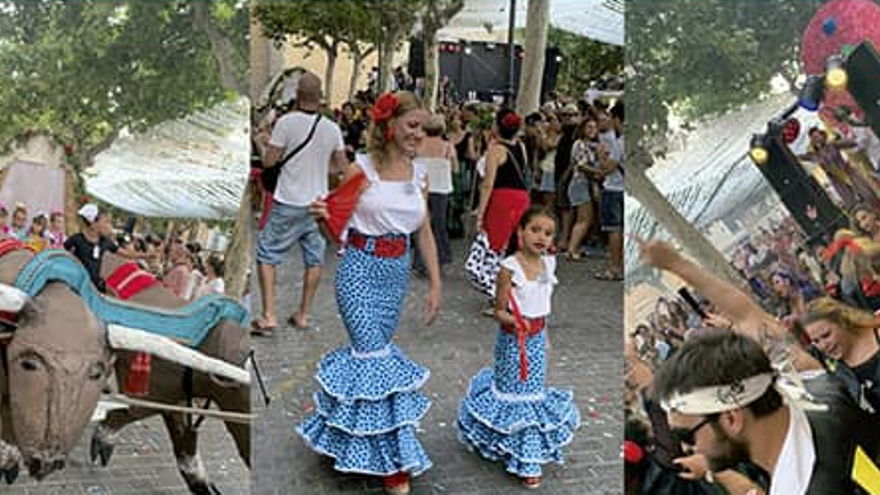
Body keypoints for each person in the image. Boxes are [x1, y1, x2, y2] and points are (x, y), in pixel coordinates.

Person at [297, 91, 441, 495]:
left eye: (422, 127)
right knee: (376, 359)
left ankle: (338, 433)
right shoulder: (361, 170)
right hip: (359, 271)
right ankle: (392, 463)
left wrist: (435, 283)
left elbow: (424, 231)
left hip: (396, 275)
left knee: (368, 362)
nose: (418, 134)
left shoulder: (419, 175)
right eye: (412, 125)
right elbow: (335, 231)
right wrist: (323, 218)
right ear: (389, 125)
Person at [654, 329, 879, 495]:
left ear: (731, 418)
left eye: (686, 436)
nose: (687, 448)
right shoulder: (822, 393)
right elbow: (752, 317)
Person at [458, 206, 579, 489]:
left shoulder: (550, 264)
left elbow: (543, 308)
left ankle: (528, 456)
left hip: (536, 341)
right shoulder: (508, 267)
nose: (541, 237)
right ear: (520, 232)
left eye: (548, 233)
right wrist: (516, 322)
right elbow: (498, 310)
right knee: (513, 396)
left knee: (532, 396)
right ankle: (518, 454)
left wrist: (544, 335)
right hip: (513, 343)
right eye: (535, 229)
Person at [252, 71, 348, 334]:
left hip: (288, 201)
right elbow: (342, 168)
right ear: (320, 98)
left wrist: (262, 144)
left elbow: (270, 162)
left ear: (297, 95)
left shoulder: (286, 123)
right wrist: (320, 167)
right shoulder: (331, 128)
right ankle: (304, 314)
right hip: (317, 205)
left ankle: (269, 315)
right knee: (314, 258)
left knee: (266, 254)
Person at [64, 204, 150, 292]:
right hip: (78, 283)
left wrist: (147, 255)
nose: (109, 226)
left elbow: (127, 254)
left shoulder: (105, 242)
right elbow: (62, 253)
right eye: (105, 222)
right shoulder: (76, 240)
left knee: (113, 294)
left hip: (95, 283)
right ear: (93, 224)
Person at [414, 113, 457, 273]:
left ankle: (420, 261)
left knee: (422, 225)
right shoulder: (447, 146)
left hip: (421, 188)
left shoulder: (418, 145)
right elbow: (455, 167)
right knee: (439, 225)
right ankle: (440, 258)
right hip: (441, 189)